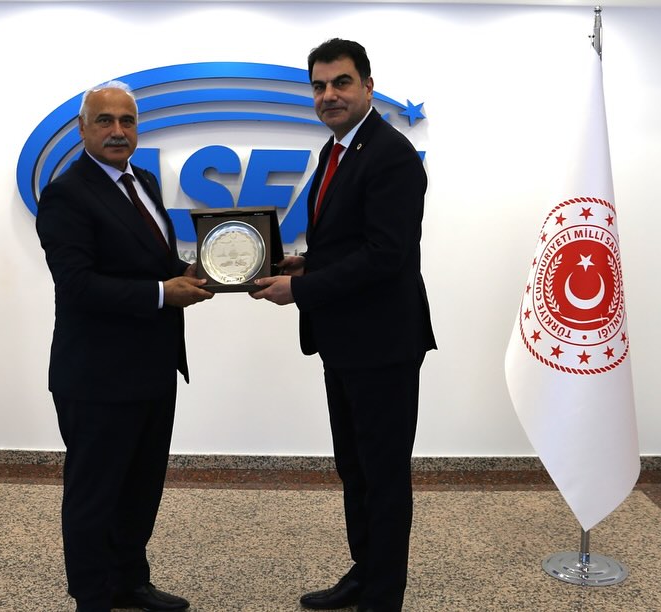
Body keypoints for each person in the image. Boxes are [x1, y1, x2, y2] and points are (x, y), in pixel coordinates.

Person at [251, 39, 436, 612]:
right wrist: (306, 263)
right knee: (355, 470)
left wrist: (301, 290)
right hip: (346, 342)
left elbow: (385, 255)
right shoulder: (338, 150)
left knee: (382, 475)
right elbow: (351, 242)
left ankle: (383, 596)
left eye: (341, 82)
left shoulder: (391, 155)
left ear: (368, 87)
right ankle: (366, 571)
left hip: (383, 345)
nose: (328, 95)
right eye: (319, 86)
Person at [36, 81, 212, 612]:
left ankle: (130, 580)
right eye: (105, 121)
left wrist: (196, 271)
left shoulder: (144, 181)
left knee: (140, 487)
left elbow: (153, 261)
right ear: (82, 129)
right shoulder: (67, 195)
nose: (118, 131)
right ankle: (92, 597)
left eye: (127, 121)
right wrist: (163, 293)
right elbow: (78, 285)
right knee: (94, 495)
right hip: (97, 376)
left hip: (153, 368)